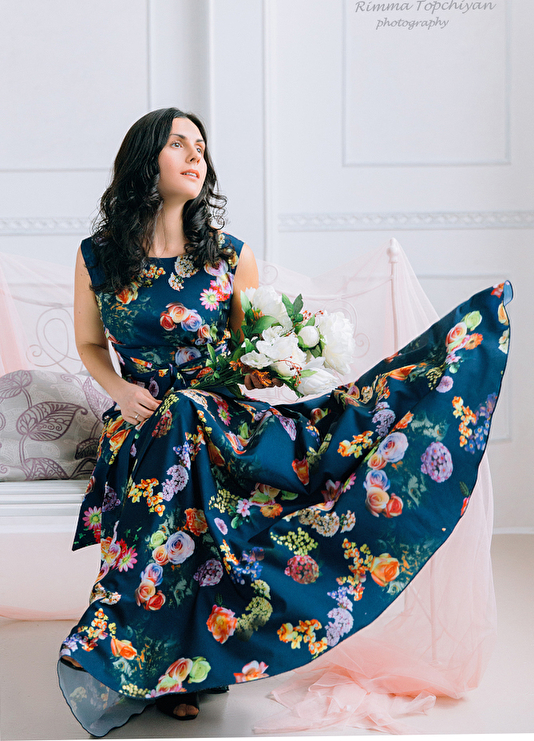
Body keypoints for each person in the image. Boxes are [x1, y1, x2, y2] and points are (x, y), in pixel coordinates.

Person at [57, 107, 511, 736]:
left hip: (218, 418)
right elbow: (88, 344)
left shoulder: (229, 257)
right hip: (140, 420)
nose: (196, 155)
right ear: (143, 159)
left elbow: (246, 360)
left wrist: (281, 364)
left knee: (202, 416)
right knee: (174, 426)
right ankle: (178, 667)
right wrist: (120, 389)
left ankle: (159, 658)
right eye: (179, 144)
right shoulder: (98, 258)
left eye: (201, 146)